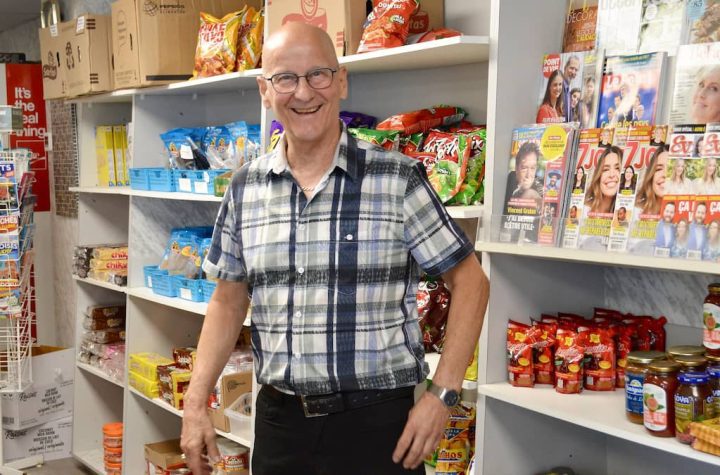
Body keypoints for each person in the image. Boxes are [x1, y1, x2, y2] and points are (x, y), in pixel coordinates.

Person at [180, 23, 489, 475]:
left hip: (379, 429)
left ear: (341, 81)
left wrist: (443, 394)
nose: (303, 93)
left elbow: (471, 282)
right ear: (265, 90)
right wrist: (194, 403)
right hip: (281, 426)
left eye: (318, 75)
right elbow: (227, 302)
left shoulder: (396, 179)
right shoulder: (246, 187)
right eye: (286, 78)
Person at [584, 145, 622, 214]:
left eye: (617, 168)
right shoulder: (583, 210)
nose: (611, 175)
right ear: (599, 176)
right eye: (606, 169)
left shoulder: (630, 212)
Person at [635, 144, 669, 216]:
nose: (665, 174)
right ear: (651, 176)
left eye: (671, 169)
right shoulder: (635, 212)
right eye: (658, 169)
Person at [505, 141, 542, 205]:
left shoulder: (540, 184)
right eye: (524, 168)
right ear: (516, 168)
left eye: (533, 168)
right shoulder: (509, 180)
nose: (528, 175)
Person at [562, 55, 580, 121]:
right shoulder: (560, 86)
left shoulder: (568, 90)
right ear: (565, 67)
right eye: (571, 68)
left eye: (576, 70)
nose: (573, 72)